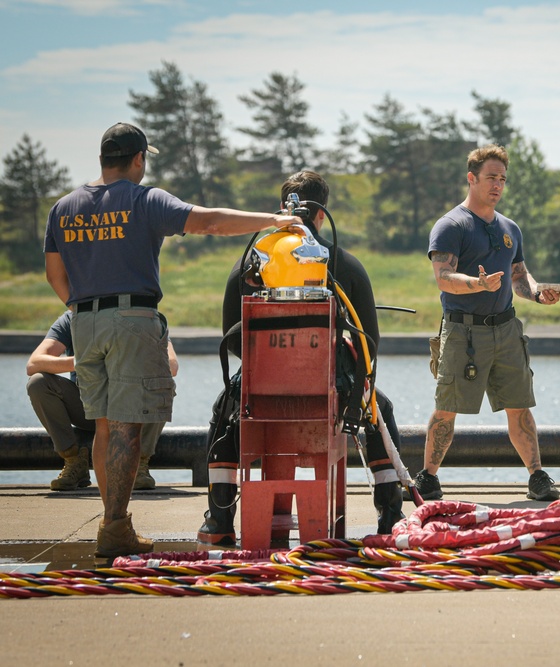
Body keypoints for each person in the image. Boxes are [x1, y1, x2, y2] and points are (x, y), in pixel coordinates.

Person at [43, 122, 303, 557]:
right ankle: (113, 528)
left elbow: (55, 274)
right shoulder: (146, 200)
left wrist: (86, 310)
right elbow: (211, 223)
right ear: (139, 159)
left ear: (103, 159)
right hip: (133, 319)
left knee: (105, 425)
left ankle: (115, 523)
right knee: (129, 423)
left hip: (83, 321)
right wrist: (273, 219)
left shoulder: (64, 207)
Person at [202, 169, 405, 542]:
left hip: (259, 394)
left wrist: (269, 364)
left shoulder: (251, 261)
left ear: (282, 209)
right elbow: (369, 343)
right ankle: (391, 515)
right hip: (332, 392)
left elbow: (232, 338)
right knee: (381, 408)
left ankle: (218, 519)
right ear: (322, 215)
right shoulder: (343, 262)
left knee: (224, 410)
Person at [416, 143, 560, 502]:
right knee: (447, 406)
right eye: (490, 178)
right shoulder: (451, 226)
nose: (497, 185)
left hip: (507, 329)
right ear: (471, 179)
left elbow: (519, 277)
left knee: (519, 406)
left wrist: (538, 292)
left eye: (502, 179)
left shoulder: (510, 228)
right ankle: (428, 478)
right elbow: (443, 277)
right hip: (462, 330)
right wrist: (476, 284)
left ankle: (537, 477)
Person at [26, 310, 178, 492]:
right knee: (38, 383)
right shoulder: (72, 318)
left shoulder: (143, 316)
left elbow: (172, 365)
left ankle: (139, 464)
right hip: (87, 407)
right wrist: (86, 361)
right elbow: (34, 364)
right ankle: (74, 459)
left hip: (130, 410)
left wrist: (128, 361)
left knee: (164, 383)